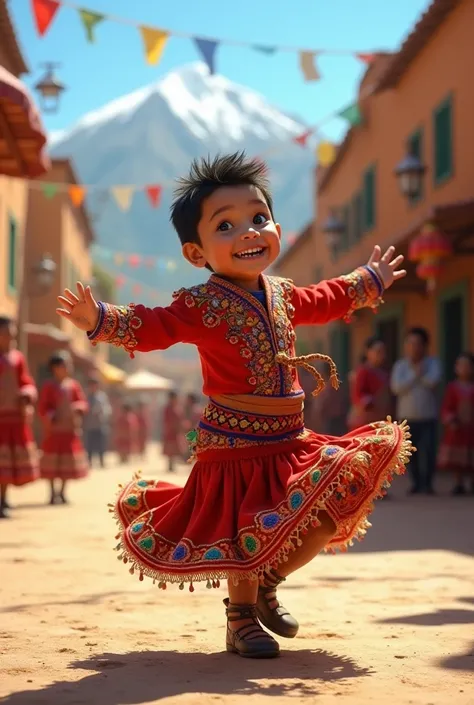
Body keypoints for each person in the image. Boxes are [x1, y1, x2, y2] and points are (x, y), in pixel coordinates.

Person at [57, 152, 413, 659]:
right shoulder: (199, 305)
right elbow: (157, 325)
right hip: (235, 443)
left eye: (259, 218)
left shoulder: (283, 295)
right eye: (227, 225)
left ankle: (268, 583)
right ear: (196, 253)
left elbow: (325, 297)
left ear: (276, 226)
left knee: (326, 514)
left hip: (290, 438)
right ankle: (240, 617)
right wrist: (102, 317)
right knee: (243, 530)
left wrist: (366, 282)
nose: (249, 232)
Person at [391, 327, 441, 495]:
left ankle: (427, 484)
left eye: (418, 344)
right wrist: (415, 375)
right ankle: (416, 483)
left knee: (429, 451)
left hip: (428, 415)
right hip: (407, 417)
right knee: (410, 454)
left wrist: (415, 378)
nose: (414, 347)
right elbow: (397, 388)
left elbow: (432, 381)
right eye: (410, 343)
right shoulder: (400, 365)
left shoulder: (433, 363)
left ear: (425, 346)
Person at [0, 316, 39, 518]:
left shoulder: (17, 358)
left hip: (13, 417)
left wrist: (27, 393)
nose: (10, 337)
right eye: (6, 333)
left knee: (6, 462)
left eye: (12, 333)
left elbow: (26, 381)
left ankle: (3, 500)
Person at [38, 352, 89, 504]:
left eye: (68, 365)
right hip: (53, 431)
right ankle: (52, 493)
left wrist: (78, 408)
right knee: (52, 463)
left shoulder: (73, 385)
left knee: (68, 463)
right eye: (64, 365)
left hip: (69, 430)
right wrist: (50, 415)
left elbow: (83, 402)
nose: (67, 368)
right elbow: (43, 406)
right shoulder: (48, 386)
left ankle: (62, 492)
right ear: (55, 368)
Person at [438, 352, 474, 495]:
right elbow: (447, 406)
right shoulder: (452, 388)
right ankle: (458, 483)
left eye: (468, 365)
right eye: (461, 365)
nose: (465, 369)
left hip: (471, 428)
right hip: (457, 428)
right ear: (456, 368)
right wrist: (451, 419)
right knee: (457, 458)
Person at [347, 337, 393, 431]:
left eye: (383, 352)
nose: (381, 355)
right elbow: (358, 395)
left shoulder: (385, 372)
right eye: (378, 351)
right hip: (365, 421)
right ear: (368, 352)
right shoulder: (363, 371)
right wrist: (371, 402)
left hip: (381, 419)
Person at [84, 377, 111, 468]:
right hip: (89, 424)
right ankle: (89, 462)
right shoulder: (86, 397)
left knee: (101, 444)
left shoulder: (102, 396)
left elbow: (107, 409)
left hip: (100, 424)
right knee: (89, 445)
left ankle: (101, 461)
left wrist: (102, 413)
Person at [162, 390, 184, 472]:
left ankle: (173, 465)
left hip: (176, 432)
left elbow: (180, 419)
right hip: (170, 431)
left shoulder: (177, 407)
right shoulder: (168, 408)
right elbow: (166, 421)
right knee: (170, 449)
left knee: (175, 449)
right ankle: (170, 465)